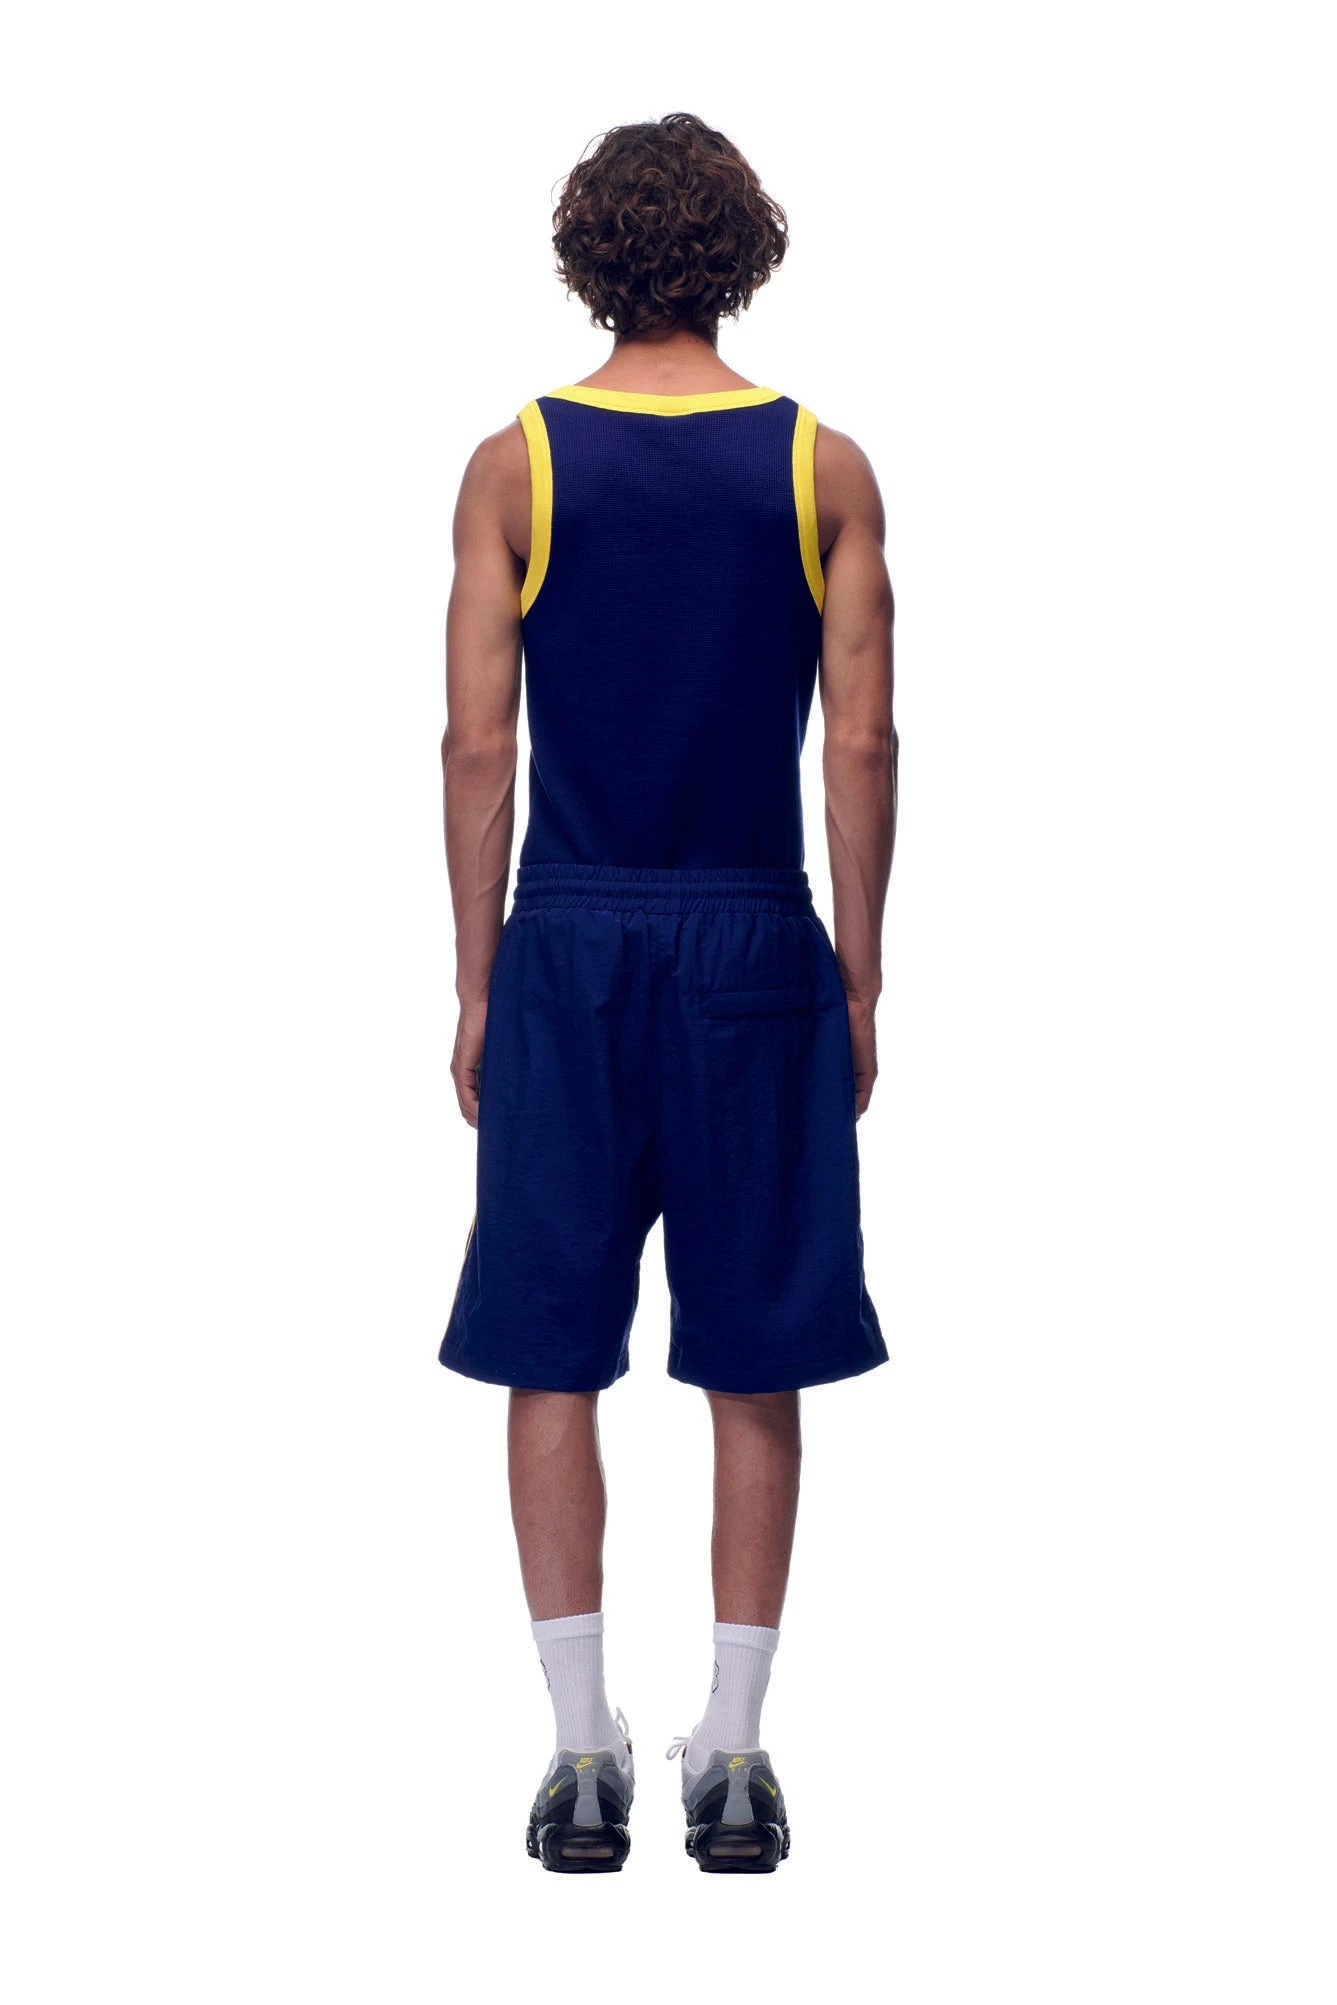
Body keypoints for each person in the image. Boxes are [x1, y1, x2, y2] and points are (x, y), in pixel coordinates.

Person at [439, 111, 898, 1874]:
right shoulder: (822, 467)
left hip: (569, 942)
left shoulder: (516, 467)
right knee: (755, 1351)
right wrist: (861, 976)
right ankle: (735, 1754)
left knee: (550, 1345)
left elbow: (478, 745)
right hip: (753, 938)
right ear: (742, 255)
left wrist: (477, 984)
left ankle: (579, 1759)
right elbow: (861, 744)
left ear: (591, 259)